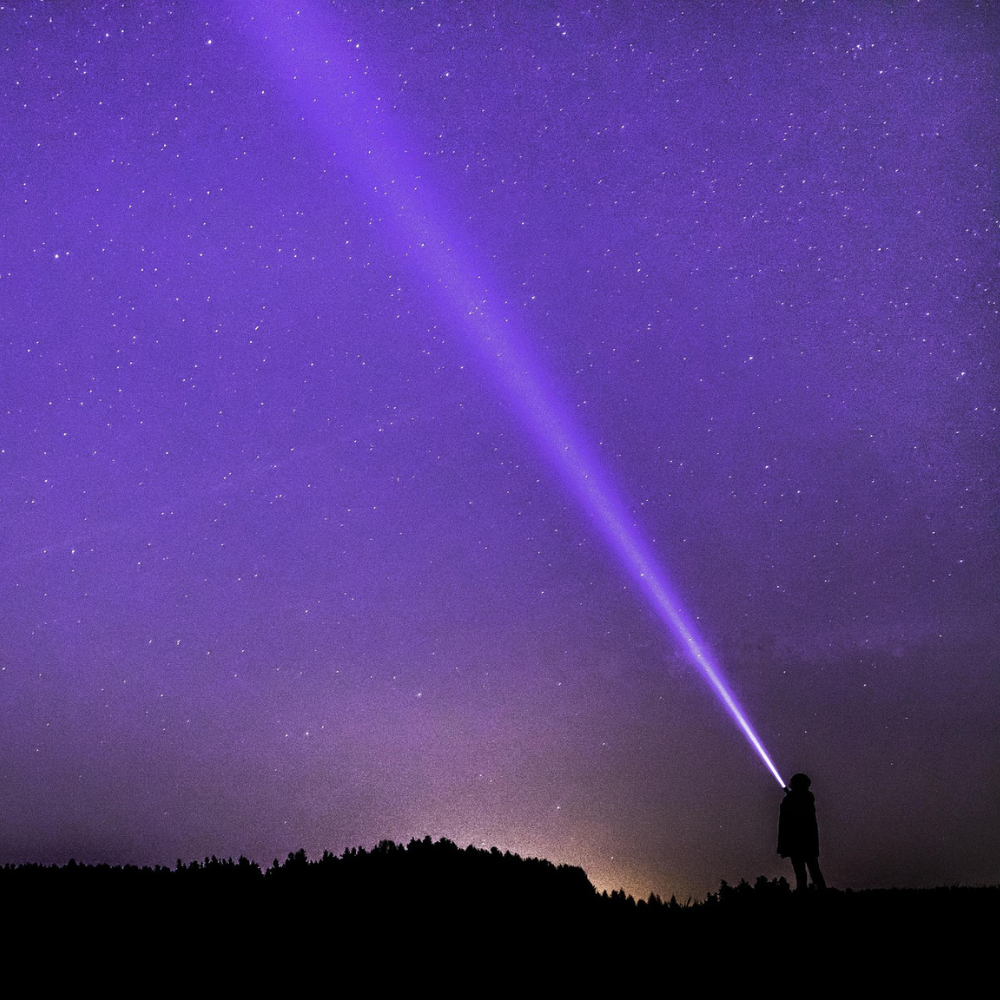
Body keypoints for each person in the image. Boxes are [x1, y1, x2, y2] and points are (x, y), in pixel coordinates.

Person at [777, 773, 827, 892]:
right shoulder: (804, 797)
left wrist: (790, 797)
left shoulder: (804, 797)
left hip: (799, 841)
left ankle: (812, 893)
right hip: (803, 841)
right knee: (807, 870)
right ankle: (812, 891)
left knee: (809, 870)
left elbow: (795, 813)